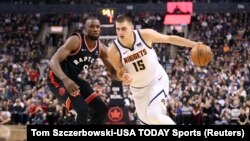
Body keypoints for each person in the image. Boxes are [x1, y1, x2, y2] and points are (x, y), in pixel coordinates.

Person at [107, 14, 209, 125]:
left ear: (131, 27)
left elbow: (170, 39)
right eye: (117, 29)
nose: (120, 32)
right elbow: (120, 73)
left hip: (156, 81)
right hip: (138, 90)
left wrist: (194, 44)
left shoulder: (145, 35)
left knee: (154, 115)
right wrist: (124, 78)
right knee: (149, 122)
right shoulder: (113, 50)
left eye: (123, 28)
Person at [47, 17, 116, 124]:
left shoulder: (101, 48)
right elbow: (52, 61)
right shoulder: (76, 41)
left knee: (102, 110)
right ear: (85, 29)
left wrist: (125, 73)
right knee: (82, 109)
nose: (95, 29)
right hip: (57, 78)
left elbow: (114, 66)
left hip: (73, 79)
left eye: (98, 27)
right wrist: (65, 79)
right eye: (92, 27)